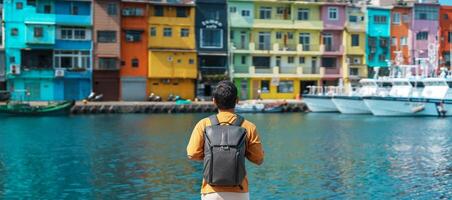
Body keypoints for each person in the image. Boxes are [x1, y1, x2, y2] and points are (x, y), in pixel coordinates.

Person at [187, 80, 264, 200]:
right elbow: (258, 159)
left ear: (214, 101)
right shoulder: (248, 126)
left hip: (210, 192)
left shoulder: (203, 124)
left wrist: (211, 154)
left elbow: (192, 154)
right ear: (237, 100)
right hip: (239, 191)